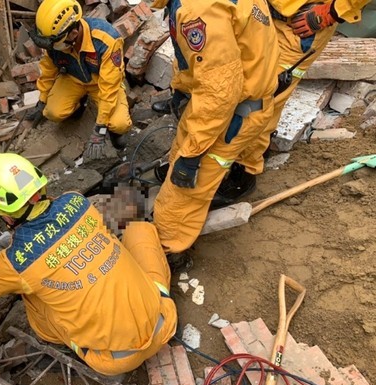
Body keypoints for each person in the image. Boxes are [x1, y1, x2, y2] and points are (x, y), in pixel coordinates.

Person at [0, 153, 176, 376]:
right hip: (164, 320)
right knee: (139, 229)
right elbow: (54, 218)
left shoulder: (16, 262)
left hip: (115, 358)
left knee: (32, 296)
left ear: (2, 212)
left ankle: (64, 342)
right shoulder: (77, 201)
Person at [149, 0, 281, 258]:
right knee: (183, 149)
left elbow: (218, 95)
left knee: (181, 193)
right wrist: (182, 89)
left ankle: (169, 249)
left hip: (233, 114)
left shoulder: (198, 11)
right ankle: (240, 175)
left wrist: (192, 157)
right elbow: (202, 62)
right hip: (251, 95)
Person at [211, 0, 372, 207]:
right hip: (263, 13)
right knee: (249, 86)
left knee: (261, 101)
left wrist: (334, 10)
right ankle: (254, 150)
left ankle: (245, 171)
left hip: (299, 25)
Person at [27, 0, 132, 158]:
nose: (50, 48)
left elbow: (109, 87)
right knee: (52, 112)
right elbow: (48, 70)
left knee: (120, 124)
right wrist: (41, 101)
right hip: (73, 78)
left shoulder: (106, 40)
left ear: (73, 33)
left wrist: (100, 129)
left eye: (54, 44)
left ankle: (112, 131)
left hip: (101, 84)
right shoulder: (54, 40)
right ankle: (79, 105)